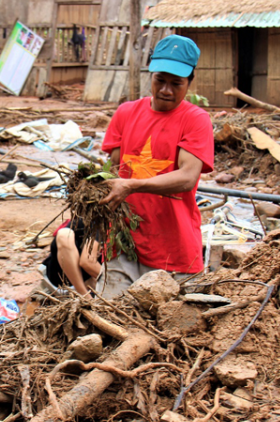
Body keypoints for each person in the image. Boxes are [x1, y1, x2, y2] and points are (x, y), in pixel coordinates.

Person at [96, 34, 214, 298]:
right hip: (124, 244)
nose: (166, 90)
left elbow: (187, 177)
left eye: (176, 83)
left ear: (190, 82)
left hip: (175, 250)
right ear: (150, 74)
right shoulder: (126, 113)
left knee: (171, 331)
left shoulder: (196, 120)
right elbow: (112, 169)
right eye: (160, 80)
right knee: (109, 319)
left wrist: (133, 185)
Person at [41, 219, 101, 298]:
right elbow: (87, 262)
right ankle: (85, 296)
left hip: (91, 277)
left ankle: (91, 285)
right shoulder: (97, 222)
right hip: (62, 276)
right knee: (65, 235)